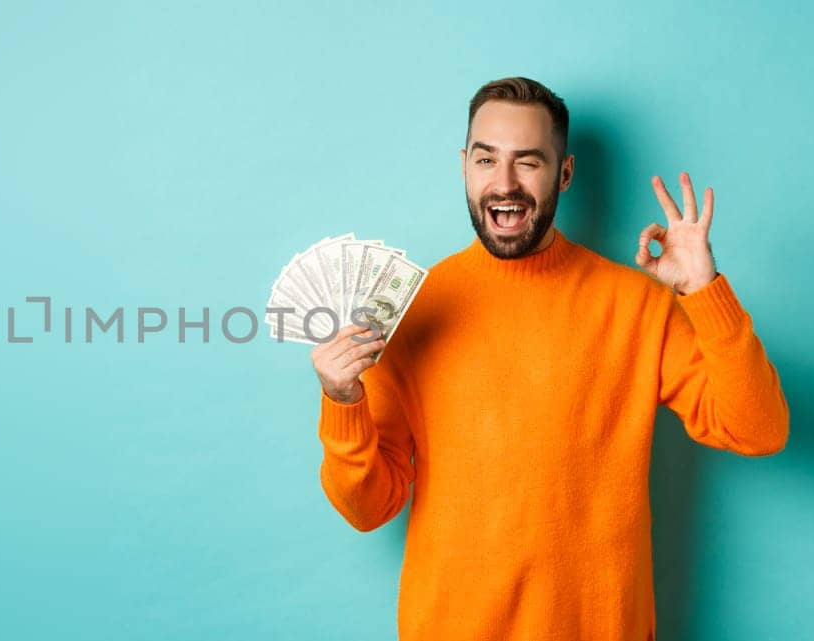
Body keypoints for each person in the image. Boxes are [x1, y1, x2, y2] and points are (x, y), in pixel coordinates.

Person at [309, 76, 789, 640]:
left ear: (564, 174)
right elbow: (368, 509)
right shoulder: (409, 309)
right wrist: (342, 401)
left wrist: (704, 292)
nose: (504, 184)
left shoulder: (636, 305)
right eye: (486, 160)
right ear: (464, 166)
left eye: (528, 162)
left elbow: (758, 430)